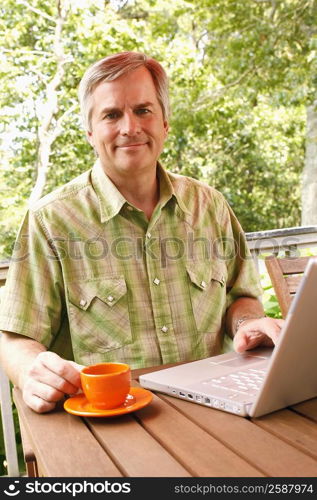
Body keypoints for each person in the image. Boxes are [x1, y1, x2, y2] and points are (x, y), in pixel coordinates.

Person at [0, 52, 284, 413]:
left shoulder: (210, 207)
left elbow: (240, 297)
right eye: (111, 114)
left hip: (216, 410)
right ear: (89, 131)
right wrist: (29, 372)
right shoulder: (50, 221)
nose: (129, 127)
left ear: (165, 123)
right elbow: (16, 337)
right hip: (111, 426)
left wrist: (249, 322)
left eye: (143, 110)